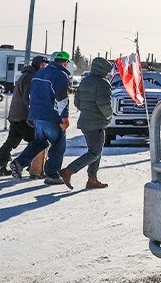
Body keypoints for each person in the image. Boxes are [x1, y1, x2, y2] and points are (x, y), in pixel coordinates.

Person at [11, 50, 72, 186]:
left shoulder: (39, 73)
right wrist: (65, 118)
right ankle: (52, 175)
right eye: (67, 62)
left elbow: (31, 95)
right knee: (58, 144)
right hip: (51, 116)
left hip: (36, 115)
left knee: (40, 142)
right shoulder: (60, 75)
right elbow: (62, 99)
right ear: (65, 62)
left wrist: (32, 114)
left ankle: (19, 163)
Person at [60, 57, 115, 189]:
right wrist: (109, 116)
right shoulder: (103, 83)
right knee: (94, 153)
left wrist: (86, 110)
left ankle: (92, 179)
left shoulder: (85, 81)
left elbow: (77, 102)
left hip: (85, 120)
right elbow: (104, 104)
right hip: (96, 122)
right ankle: (68, 171)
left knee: (96, 151)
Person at [0, 55, 46, 174]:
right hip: (23, 117)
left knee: (11, 142)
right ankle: (31, 167)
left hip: (16, 115)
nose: (45, 67)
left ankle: (0, 166)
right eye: (43, 65)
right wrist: (34, 113)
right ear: (38, 65)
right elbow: (27, 98)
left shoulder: (26, 75)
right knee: (37, 142)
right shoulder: (30, 77)